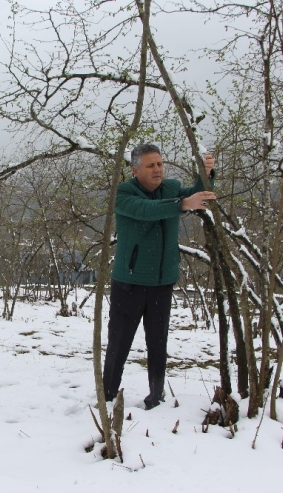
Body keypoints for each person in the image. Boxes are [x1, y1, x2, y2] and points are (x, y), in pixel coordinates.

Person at [103, 144, 216, 410]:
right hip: (129, 283)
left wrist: (206, 174)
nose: (157, 170)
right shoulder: (123, 193)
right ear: (135, 170)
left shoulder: (172, 188)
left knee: (158, 343)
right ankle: (107, 394)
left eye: (160, 164)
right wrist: (182, 204)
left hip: (162, 283)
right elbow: (147, 210)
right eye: (150, 165)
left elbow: (196, 196)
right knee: (119, 342)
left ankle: (156, 395)